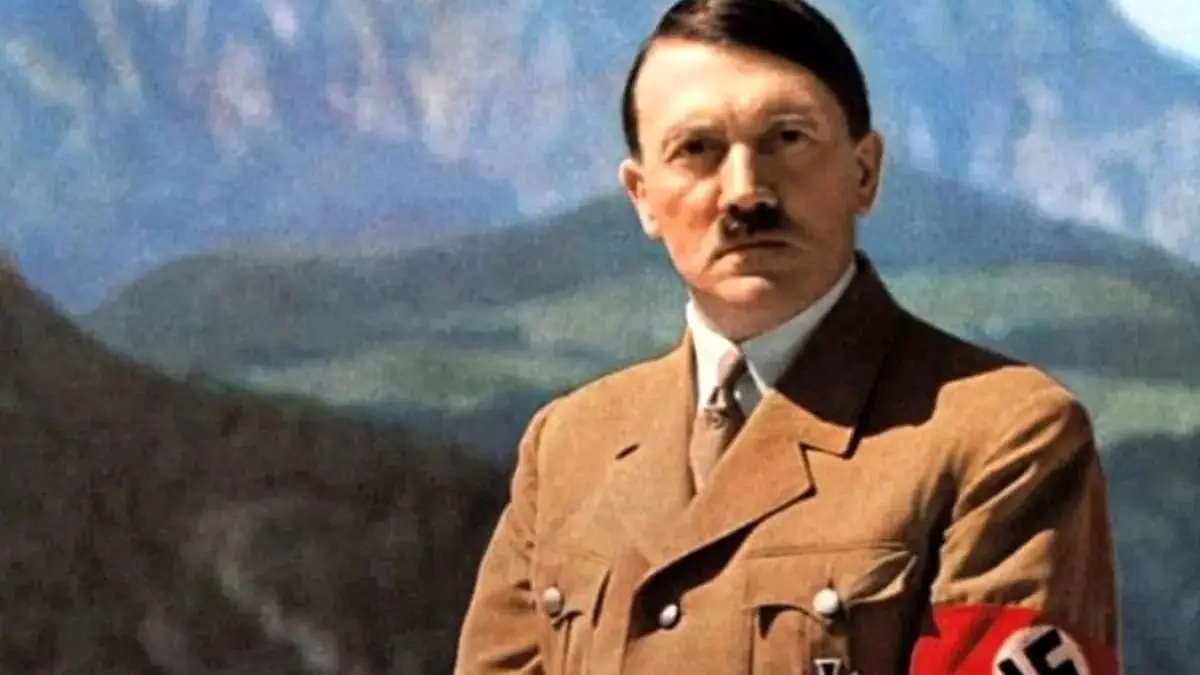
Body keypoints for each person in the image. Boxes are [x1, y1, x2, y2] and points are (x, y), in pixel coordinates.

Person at [453, 1, 1122, 673]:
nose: (746, 193)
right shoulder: (568, 447)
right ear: (643, 197)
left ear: (864, 172)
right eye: (696, 150)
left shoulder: (1004, 437)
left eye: (788, 139)